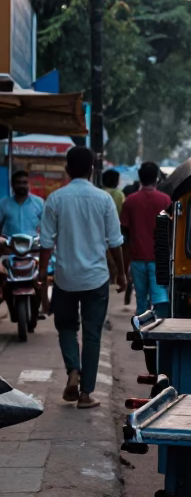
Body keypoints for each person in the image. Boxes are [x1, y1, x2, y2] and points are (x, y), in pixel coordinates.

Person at [38, 146, 125, 408]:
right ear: (92, 170)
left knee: (66, 327)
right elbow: (115, 242)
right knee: (92, 334)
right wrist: (122, 273)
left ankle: (73, 370)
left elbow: (45, 244)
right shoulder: (104, 199)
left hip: (65, 278)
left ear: (67, 169)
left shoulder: (55, 199)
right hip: (96, 279)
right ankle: (86, 394)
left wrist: (41, 276)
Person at [120, 161, 170, 316]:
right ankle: (161, 326)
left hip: (137, 258)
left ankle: (142, 327)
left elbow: (124, 232)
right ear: (156, 179)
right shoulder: (166, 200)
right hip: (159, 259)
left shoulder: (130, 201)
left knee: (141, 301)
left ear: (140, 178)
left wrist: (125, 265)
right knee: (160, 297)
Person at [0, 169, 45, 238]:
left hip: (32, 242)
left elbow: (46, 225)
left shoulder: (39, 202)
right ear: (12, 185)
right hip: (9, 242)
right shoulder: (4, 203)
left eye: (25, 182)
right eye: (18, 183)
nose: (21, 185)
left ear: (29, 184)